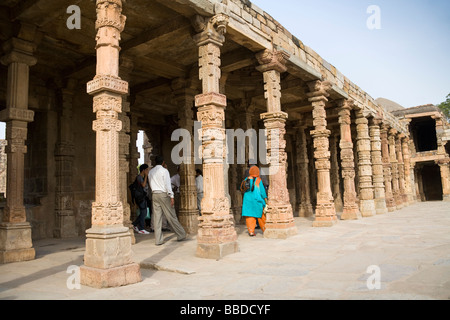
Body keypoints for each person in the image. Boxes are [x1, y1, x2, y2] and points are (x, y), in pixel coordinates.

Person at [149, 156, 187, 245]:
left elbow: (150, 183)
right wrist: (172, 196)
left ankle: (158, 240)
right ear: (163, 162)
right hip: (163, 194)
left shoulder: (151, 171)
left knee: (157, 217)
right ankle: (181, 234)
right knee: (171, 215)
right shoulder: (164, 171)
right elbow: (167, 184)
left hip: (155, 194)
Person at [241, 166, 268, 237]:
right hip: (257, 200)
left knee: (250, 216)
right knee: (261, 216)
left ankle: (251, 232)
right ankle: (265, 230)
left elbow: (242, 188)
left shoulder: (246, 179)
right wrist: (265, 198)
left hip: (248, 201)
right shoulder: (258, 180)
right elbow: (262, 191)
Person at [132, 164, 151, 235]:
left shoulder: (141, 177)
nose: (148, 171)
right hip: (141, 198)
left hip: (142, 197)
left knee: (143, 212)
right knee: (143, 212)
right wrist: (146, 176)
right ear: (144, 170)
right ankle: (141, 228)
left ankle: (134, 224)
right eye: (147, 170)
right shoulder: (139, 177)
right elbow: (143, 185)